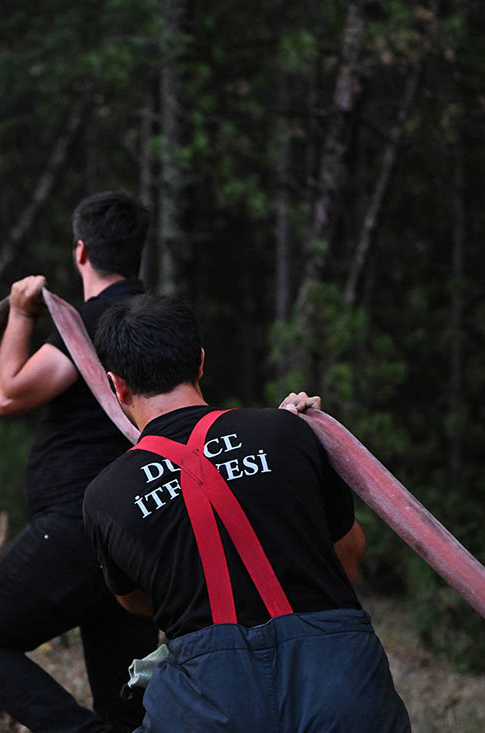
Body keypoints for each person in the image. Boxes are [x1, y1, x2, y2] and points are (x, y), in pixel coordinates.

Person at [83, 294, 410, 732]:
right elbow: (347, 561)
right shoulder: (290, 431)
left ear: (117, 385)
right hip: (340, 685)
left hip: (209, 705)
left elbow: (138, 602)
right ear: (200, 362)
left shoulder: (105, 496)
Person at [0, 191, 160, 732]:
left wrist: (20, 312)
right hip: (136, 528)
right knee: (127, 702)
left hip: (79, 525)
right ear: (139, 252)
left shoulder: (91, 319)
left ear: (81, 251)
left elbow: (9, 395)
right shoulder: (151, 322)